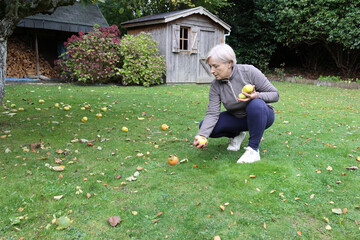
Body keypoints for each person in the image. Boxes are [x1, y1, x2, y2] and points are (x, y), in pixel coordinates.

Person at [193, 43, 279, 163]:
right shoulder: (215, 85)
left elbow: (275, 94)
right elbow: (212, 113)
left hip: (262, 115)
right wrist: (202, 135)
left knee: (256, 104)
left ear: (229, 63)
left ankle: (253, 150)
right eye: (211, 66)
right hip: (238, 118)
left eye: (215, 66)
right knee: (205, 127)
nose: (212, 71)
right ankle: (236, 135)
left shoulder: (249, 71)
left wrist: (256, 95)